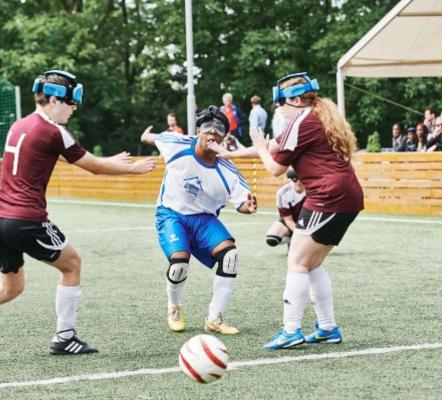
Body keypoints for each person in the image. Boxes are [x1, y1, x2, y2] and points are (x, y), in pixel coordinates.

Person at [0, 69, 156, 357]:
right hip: (26, 220)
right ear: (55, 100)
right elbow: (93, 167)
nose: (74, 109)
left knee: (10, 288)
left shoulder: (19, 125)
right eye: (71, 102)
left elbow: (75, 157)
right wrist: (134, 169)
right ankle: (65, 338)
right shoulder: (54, 131)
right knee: (72, 264)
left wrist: (109, 160)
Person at [215, 72, 363, 349]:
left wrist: (260, 149)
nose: (278, 108)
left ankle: (291, 330)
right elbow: (273, 146)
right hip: (345, 195)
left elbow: (274, 167)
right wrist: (230, 154)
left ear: (295, 100)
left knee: (297, 262)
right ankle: (327, 328)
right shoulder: (314, 117)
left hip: (328, 196)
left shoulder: (301, 122)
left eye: (280, 102)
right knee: (312, 264)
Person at [140, 105, 257, 335]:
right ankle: (174, 307)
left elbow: (242, 202)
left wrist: (249, 207)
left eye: (219, 128)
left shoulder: (228, 170)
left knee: (230, 256)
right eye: (207, 127)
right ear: (198, 131)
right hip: (172, 213)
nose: (212, 131)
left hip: (204, 219)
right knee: (179, 263)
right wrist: (146, 136)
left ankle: (215, 319)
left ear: (224, 137)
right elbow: (153, 138)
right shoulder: (177, 143)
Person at [265, 169, 305, 250]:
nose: (298, 182)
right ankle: (291, 240)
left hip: (309, 220)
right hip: (291, 221)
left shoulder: (313, 188)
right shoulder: (282, 193)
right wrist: (299, 234)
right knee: (271, 239)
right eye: (295, 179)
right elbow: (288, 220)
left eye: (301, 178)